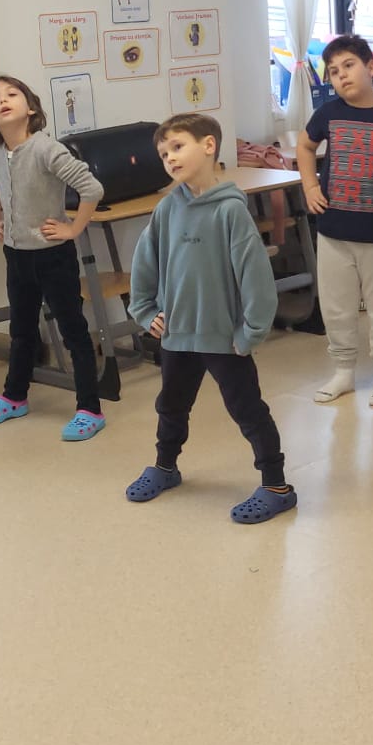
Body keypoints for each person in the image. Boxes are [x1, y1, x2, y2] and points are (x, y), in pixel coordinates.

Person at [124, 114, 296, 523]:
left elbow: (255, 277)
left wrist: (251, 331)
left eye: (177, 147)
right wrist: (145, 311)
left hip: (224, 338)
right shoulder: (167, 209)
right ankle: (165, 467)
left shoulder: (231, 211)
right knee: (171, 406)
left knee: (247, 409)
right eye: (163, 153)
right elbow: (144, 263)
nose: (169, 158)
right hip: (177, 334)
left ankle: (276, 486)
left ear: (208, 146)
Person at [0, 75, 106, 439]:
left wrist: (74, 228)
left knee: (73, 331)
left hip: (53, 256)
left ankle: (89, 408)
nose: (2, 100)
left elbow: (92, 188)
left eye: (11, 94)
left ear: (30, 108)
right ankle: (14, 396)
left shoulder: (47, 149)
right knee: (21, 330)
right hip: (16, 256)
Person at [299, 35, 373, 405]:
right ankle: (343, 371)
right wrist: (310, 186)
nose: (341, 75)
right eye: (333, 71)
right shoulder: (328, 113)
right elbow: (305, 146)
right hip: (333, 231)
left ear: (370, 67)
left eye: (348, 66)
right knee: (337, 307)